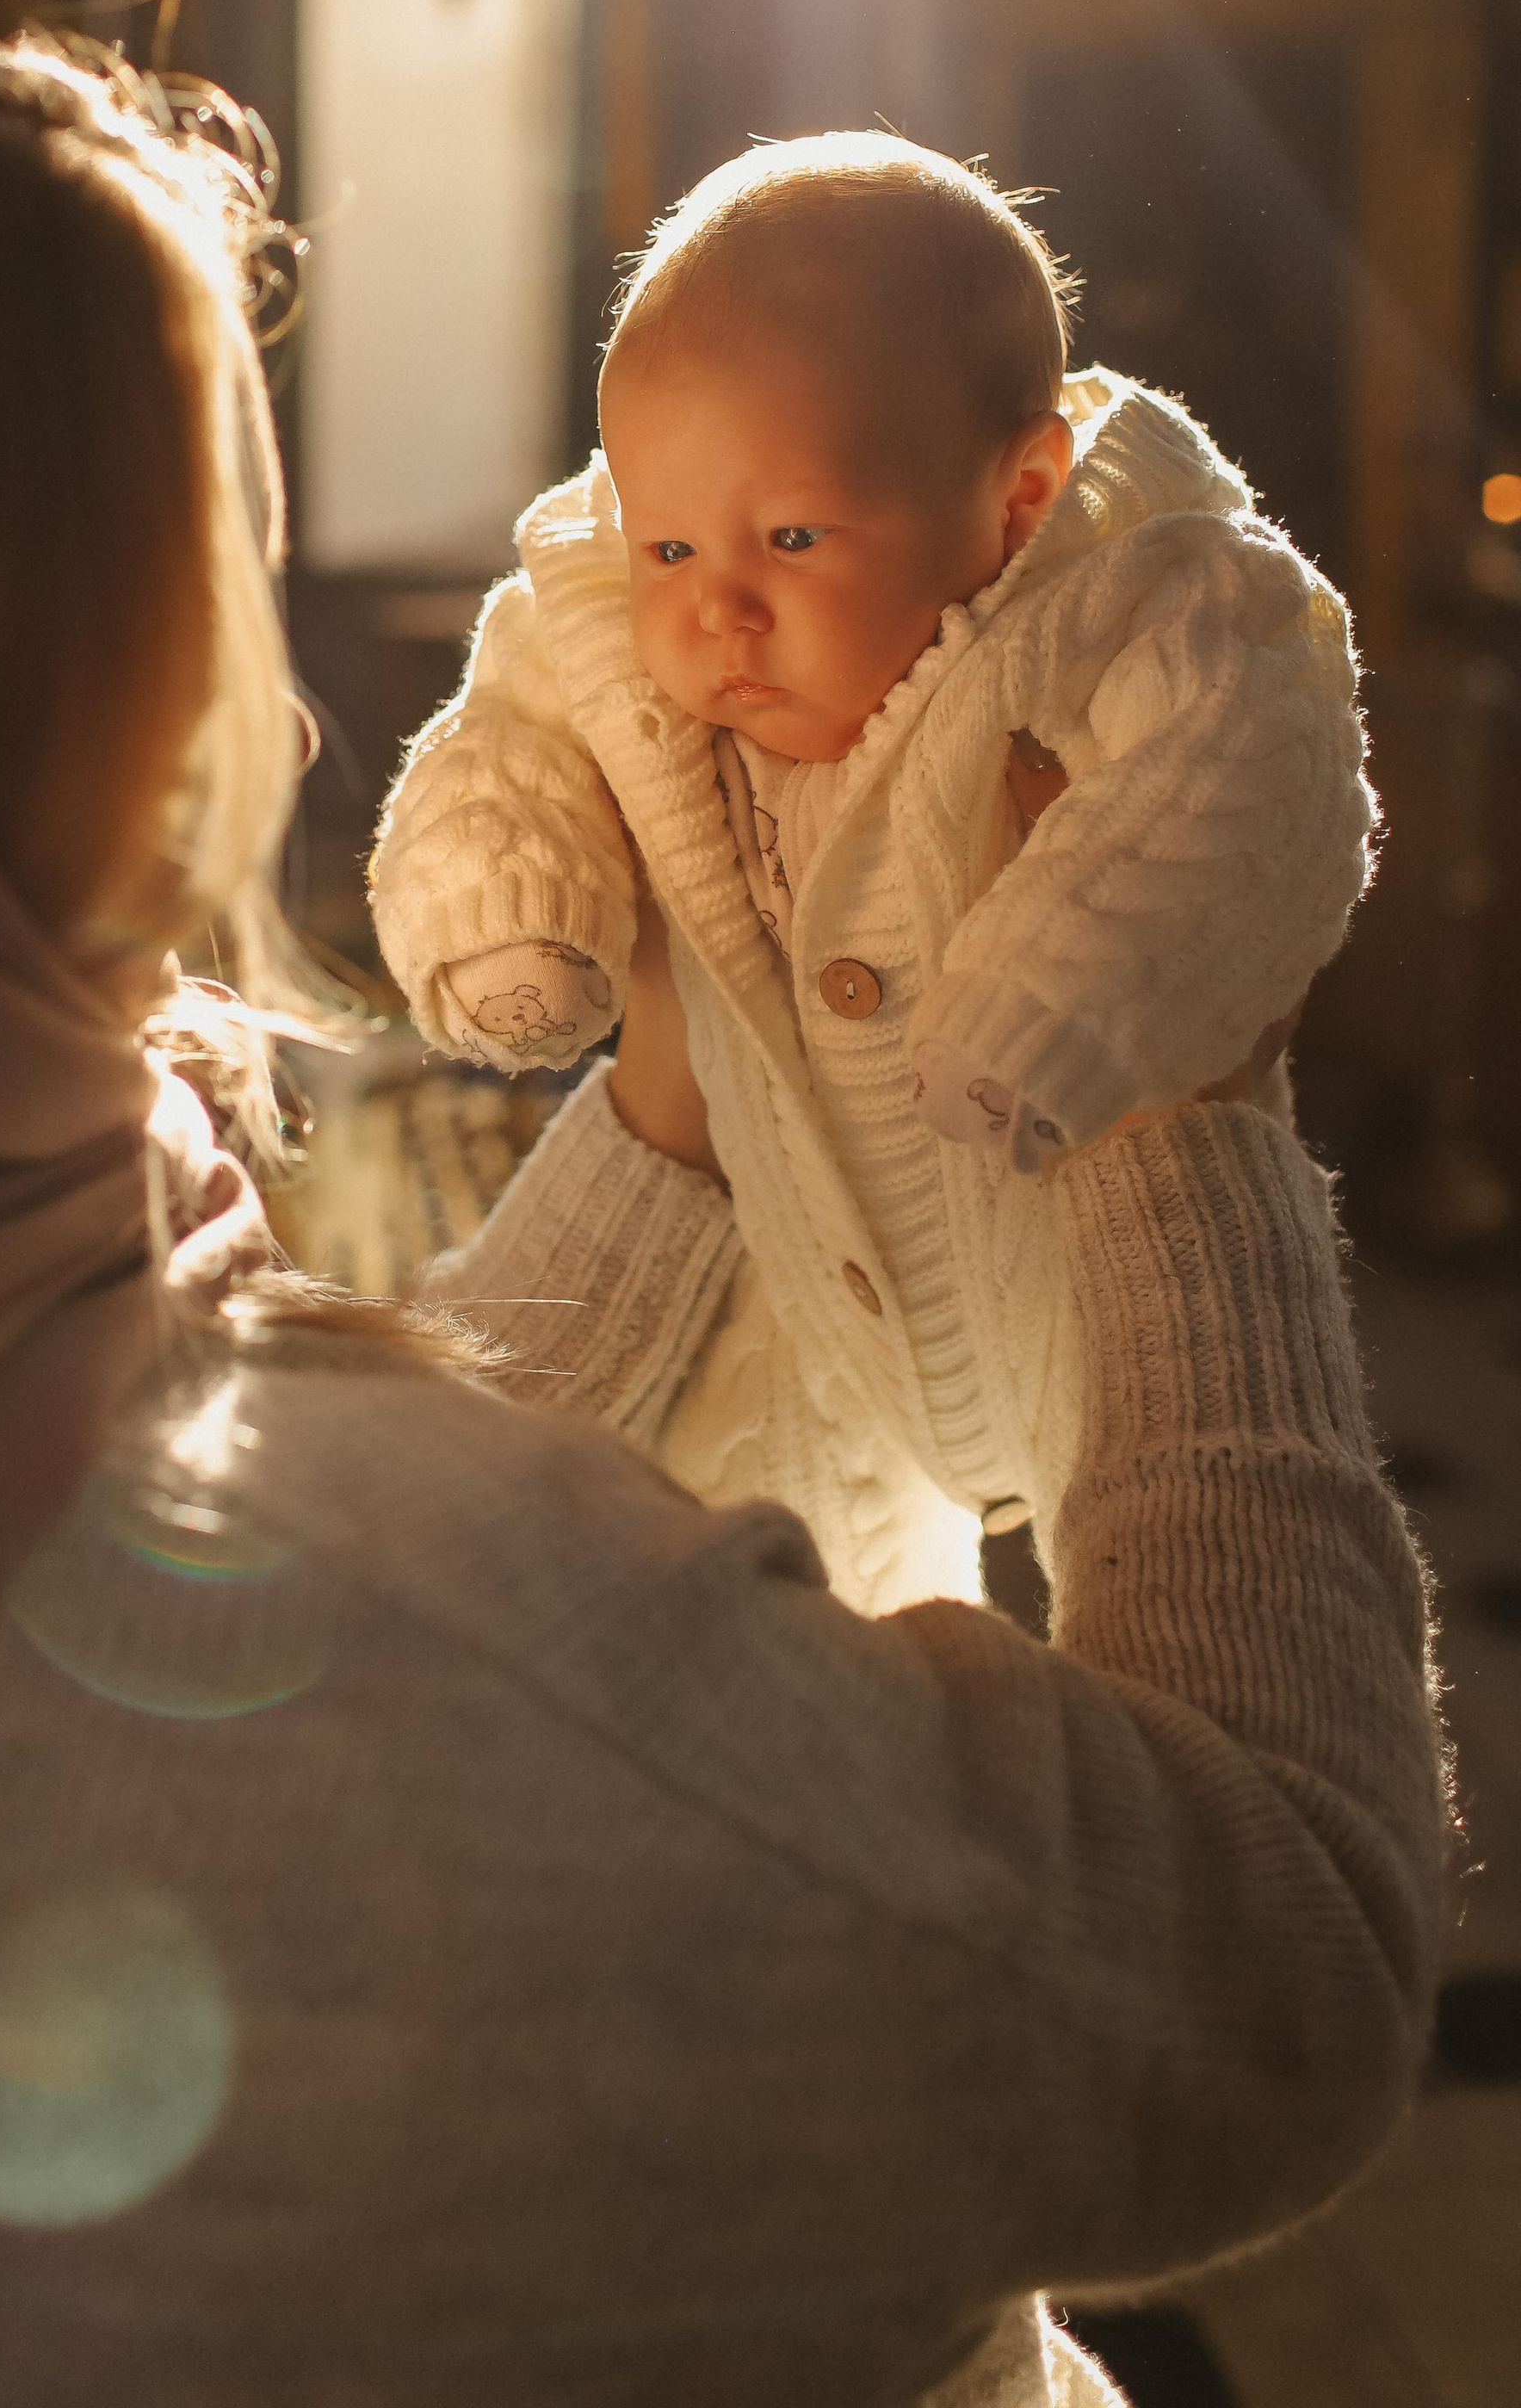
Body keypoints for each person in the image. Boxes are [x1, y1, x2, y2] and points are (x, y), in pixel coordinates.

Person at [0, 32, 1440, 2408]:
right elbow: (1274, 1963)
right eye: (209, 577)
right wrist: (1173, 1079)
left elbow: (303, 1509)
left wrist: (667, 1114)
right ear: (63, 709)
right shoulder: (402, 1740)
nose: (295, 741)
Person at [372, 135, 1376, 1610]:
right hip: (799, 1269)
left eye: (792, 537)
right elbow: (506, 747)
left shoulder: (1132, 599)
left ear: (1020, 494)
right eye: (667, 544)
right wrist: (511, 926)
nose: (717, 606)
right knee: (782, 1576)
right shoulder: (606, 614)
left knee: (1173, 1596)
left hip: (1077, 1251)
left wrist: (1071, 1003)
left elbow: (1234, 777)